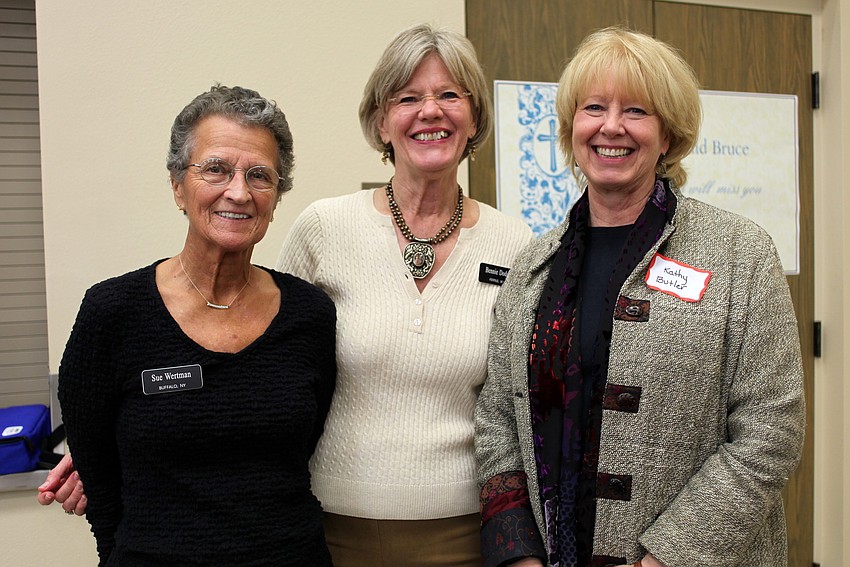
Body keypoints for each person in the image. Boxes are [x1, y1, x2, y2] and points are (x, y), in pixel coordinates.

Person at [475, 27, 805, 567]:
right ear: (571, 129)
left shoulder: (739, 253)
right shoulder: (534, 266)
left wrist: (666, 558)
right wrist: (517, 553)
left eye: (636, 111)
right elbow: (496, 421)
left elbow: (772, 430)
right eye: (594, 108)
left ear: (669, 135)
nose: (611, 127)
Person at [275, 24, 532, 566]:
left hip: (468, 532)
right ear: (380, 122)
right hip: (330, 528)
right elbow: (265, 369)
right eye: (408, 97)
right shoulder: (324, 229)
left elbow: (521, 401)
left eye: (449, 95)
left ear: (475, 118)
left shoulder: (516, 244)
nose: (430, 111)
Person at [54, 85, 336, 566]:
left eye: (259, 176)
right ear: (177, 184)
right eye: (216, 169)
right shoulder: (112, 312)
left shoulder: (309, 313)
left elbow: (305, 449)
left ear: (276, 196)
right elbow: (98, 478)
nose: (239, 192)